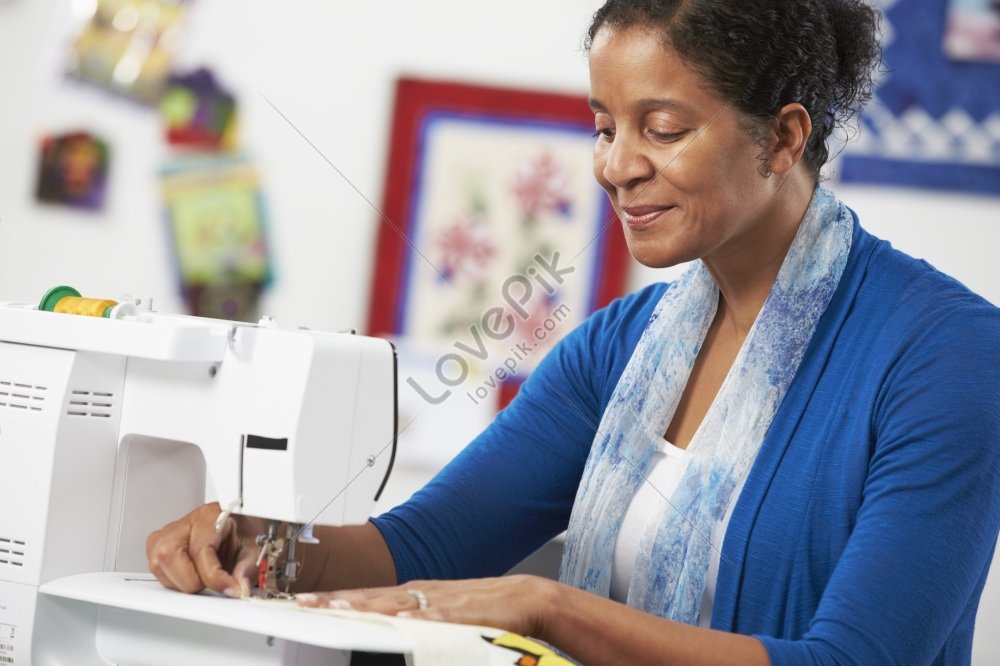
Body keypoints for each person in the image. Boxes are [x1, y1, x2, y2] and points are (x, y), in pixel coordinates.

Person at [146, 1, 1000, 663]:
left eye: (662, 129)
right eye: (603, 126)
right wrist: (259, 546)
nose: (615, 165)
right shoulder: (616, 353)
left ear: (782, 137)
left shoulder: (948, 359)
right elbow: (417, 546)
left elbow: (854, 660)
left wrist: (547, 607)